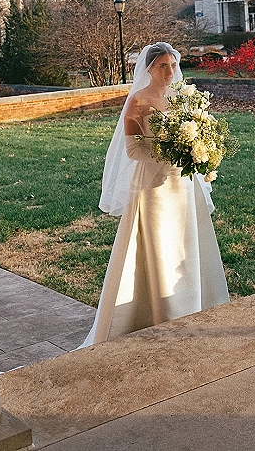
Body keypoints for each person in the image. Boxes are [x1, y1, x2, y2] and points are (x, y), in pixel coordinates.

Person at [80, 41, 229, 347]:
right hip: (152, 185)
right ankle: (160, 311)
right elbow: (133, 149)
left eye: (172, 65)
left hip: (182, 183)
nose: (170, 71)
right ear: (148, 68)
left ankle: (194, 302)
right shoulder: (138, 101)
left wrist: (196, 148)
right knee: (159, 244)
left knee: (187, 240)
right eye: (163, 65)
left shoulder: (182, 98)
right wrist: (166, 151)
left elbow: (198, 132)